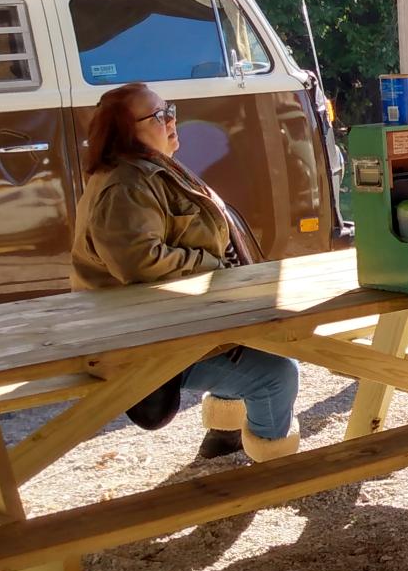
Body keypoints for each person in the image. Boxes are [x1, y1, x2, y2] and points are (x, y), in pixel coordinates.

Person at [71, 81, 302, 461]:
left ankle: (224, 436)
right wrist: (213, 266)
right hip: (147, 339)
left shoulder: (147, 170)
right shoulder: (127, 185)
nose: (171, 121)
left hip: (175, 323)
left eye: (170, 111)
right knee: (277, 374)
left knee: (258, 344)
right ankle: (275, 468)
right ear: (124, 132)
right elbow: (140, 262)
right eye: (158, 116)